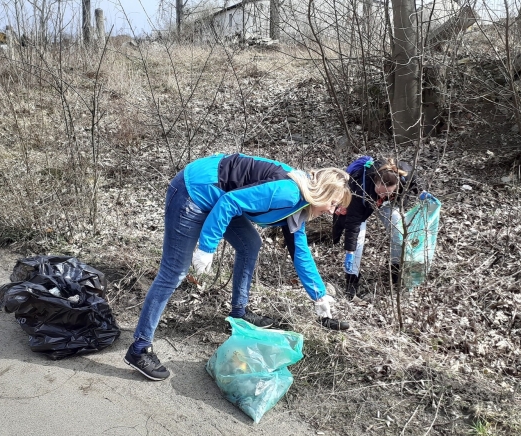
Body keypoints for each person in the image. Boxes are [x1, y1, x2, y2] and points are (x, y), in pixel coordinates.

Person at [124, 153, 352, 381]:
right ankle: (140, 348)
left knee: (250, 244)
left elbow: (300, 252)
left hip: (221, 196)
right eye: (333, 203)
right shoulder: (289, 193)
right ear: (322, 191)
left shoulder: (300, 206)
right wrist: (207, 247)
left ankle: (239, 312)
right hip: (194, 190)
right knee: (174, 271)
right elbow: (229, 203)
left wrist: (319, 296)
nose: (332, 211)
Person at [331, 156, 426, 298]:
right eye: (379, 191)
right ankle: (352, 279)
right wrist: (350, 251)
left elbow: (414, 180)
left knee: (398, 229)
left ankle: (395, 269)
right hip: (363, 203)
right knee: (358, 241)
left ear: (397, 185)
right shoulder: (360, 188)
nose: (382, 194)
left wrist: (422, 192)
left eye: (387, 192)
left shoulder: (402, 174)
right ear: (375, 181)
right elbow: (353, 224)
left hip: (388, 204)